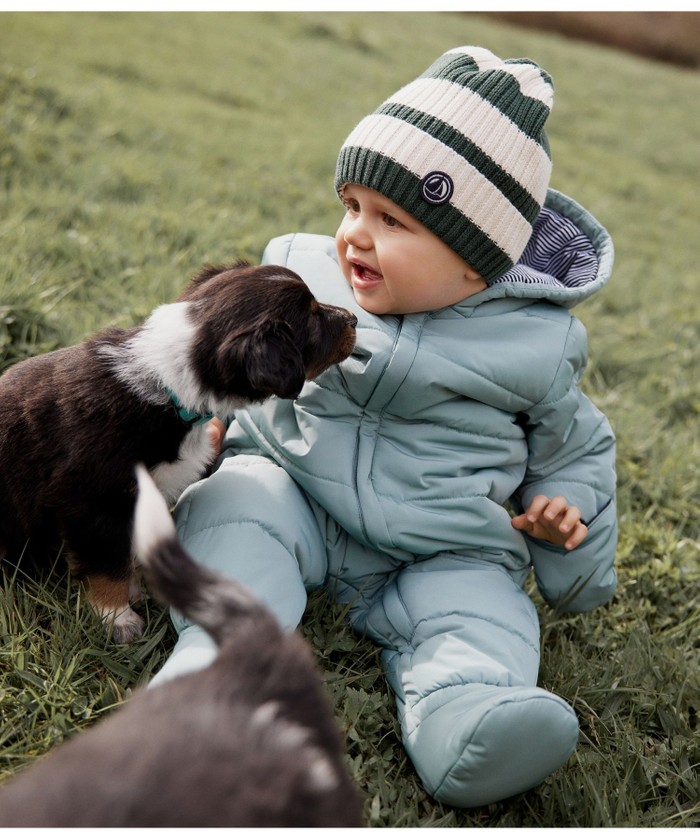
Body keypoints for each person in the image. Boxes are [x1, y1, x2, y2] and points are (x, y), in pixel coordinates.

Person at [152, 45, 618, 808]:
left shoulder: (535, 352)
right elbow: (221, 366)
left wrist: (569, 515)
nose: (355, 236)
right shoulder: (306, 285)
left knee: (481, 611)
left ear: (479, 263)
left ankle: (467, 716)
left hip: (440, 546)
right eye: (351, 206)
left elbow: (579, 447)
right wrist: (199, 435)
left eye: (393, 220)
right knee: (237, 510)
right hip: (295, 494)